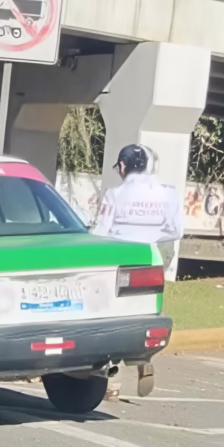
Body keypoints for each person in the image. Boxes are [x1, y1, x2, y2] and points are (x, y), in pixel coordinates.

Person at [91, 143, 184, 401]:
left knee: (110, 314)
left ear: (122, 166)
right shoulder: (169, 193)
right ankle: (143, 356)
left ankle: (111, 378)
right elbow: (176, 230)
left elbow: (100, 232)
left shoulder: (115, 194)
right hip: (155, 257)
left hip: (123, 258)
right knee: (146, 309)